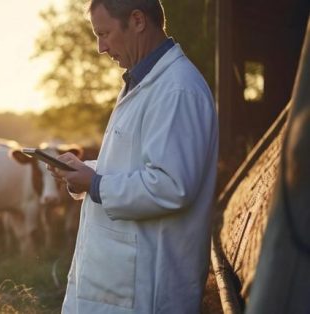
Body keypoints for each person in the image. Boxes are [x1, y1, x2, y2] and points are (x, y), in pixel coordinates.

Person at [48, 0, 218, 313]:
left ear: (138, 21)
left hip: (145, 289)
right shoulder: (142, 81)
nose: (100, 47)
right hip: (121, 281)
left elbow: (172, 185)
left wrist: (96, 185)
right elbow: (135, 166)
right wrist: (83, 172)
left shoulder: (177, 89)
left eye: (104, 33)